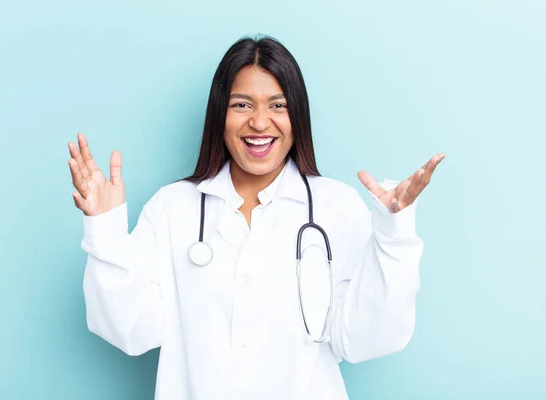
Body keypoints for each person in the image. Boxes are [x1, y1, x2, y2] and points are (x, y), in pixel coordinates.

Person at [67, 35, 445, 400]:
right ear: (220, 115)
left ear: (297, 115)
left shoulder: (336, 207)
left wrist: (393, 233)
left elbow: (366, 337)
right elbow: (131, 330)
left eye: (278, 106)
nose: (260, 123)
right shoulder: (172, 208)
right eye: (242, 105)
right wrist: (106, 232)